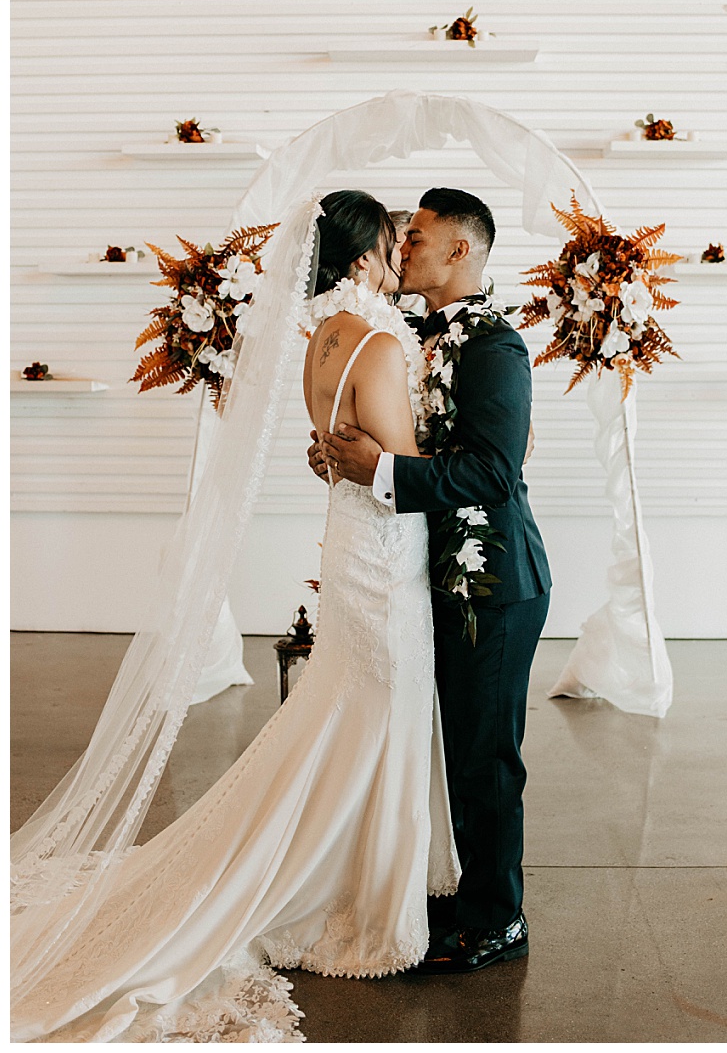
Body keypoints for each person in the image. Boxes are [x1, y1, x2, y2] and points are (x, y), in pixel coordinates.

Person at [11, 190, 459, 1041]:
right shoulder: (383, 343)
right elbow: (405, 470)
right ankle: (354, 893)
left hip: (346, 541)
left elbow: (339, 450)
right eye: (396, 240)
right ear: (365, 256)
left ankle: (337, 858)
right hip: (385, 553)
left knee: (344, 707)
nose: (406, 250)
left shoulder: (320, 340)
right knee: (383, 706)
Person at [312, 187, 551, 974]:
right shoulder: (403, 332)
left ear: (460, 253)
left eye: (417, 237)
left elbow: (491, 469)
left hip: (493, 582)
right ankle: (449, 884)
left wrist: (382, 472)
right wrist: (343, 462)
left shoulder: (495, 347)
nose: (402, 246)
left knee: (486, 757)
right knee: (440, 741)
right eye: (401, 236)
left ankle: (496, 919)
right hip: (420, 574)